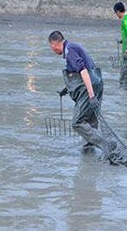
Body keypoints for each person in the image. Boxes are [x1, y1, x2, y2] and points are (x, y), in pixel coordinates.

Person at [49, 30, 116, 160]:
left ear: (54, 44)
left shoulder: (69, 51)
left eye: (51, 47)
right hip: (97, 82)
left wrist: (91, 95)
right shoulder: (72, 47)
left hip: (89, 86)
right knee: (90, 119)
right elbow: (79, 73)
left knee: (77, 122)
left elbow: (83, 71)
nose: (52, 50)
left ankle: (105, 144)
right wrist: (66, 89)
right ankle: (89, 150)